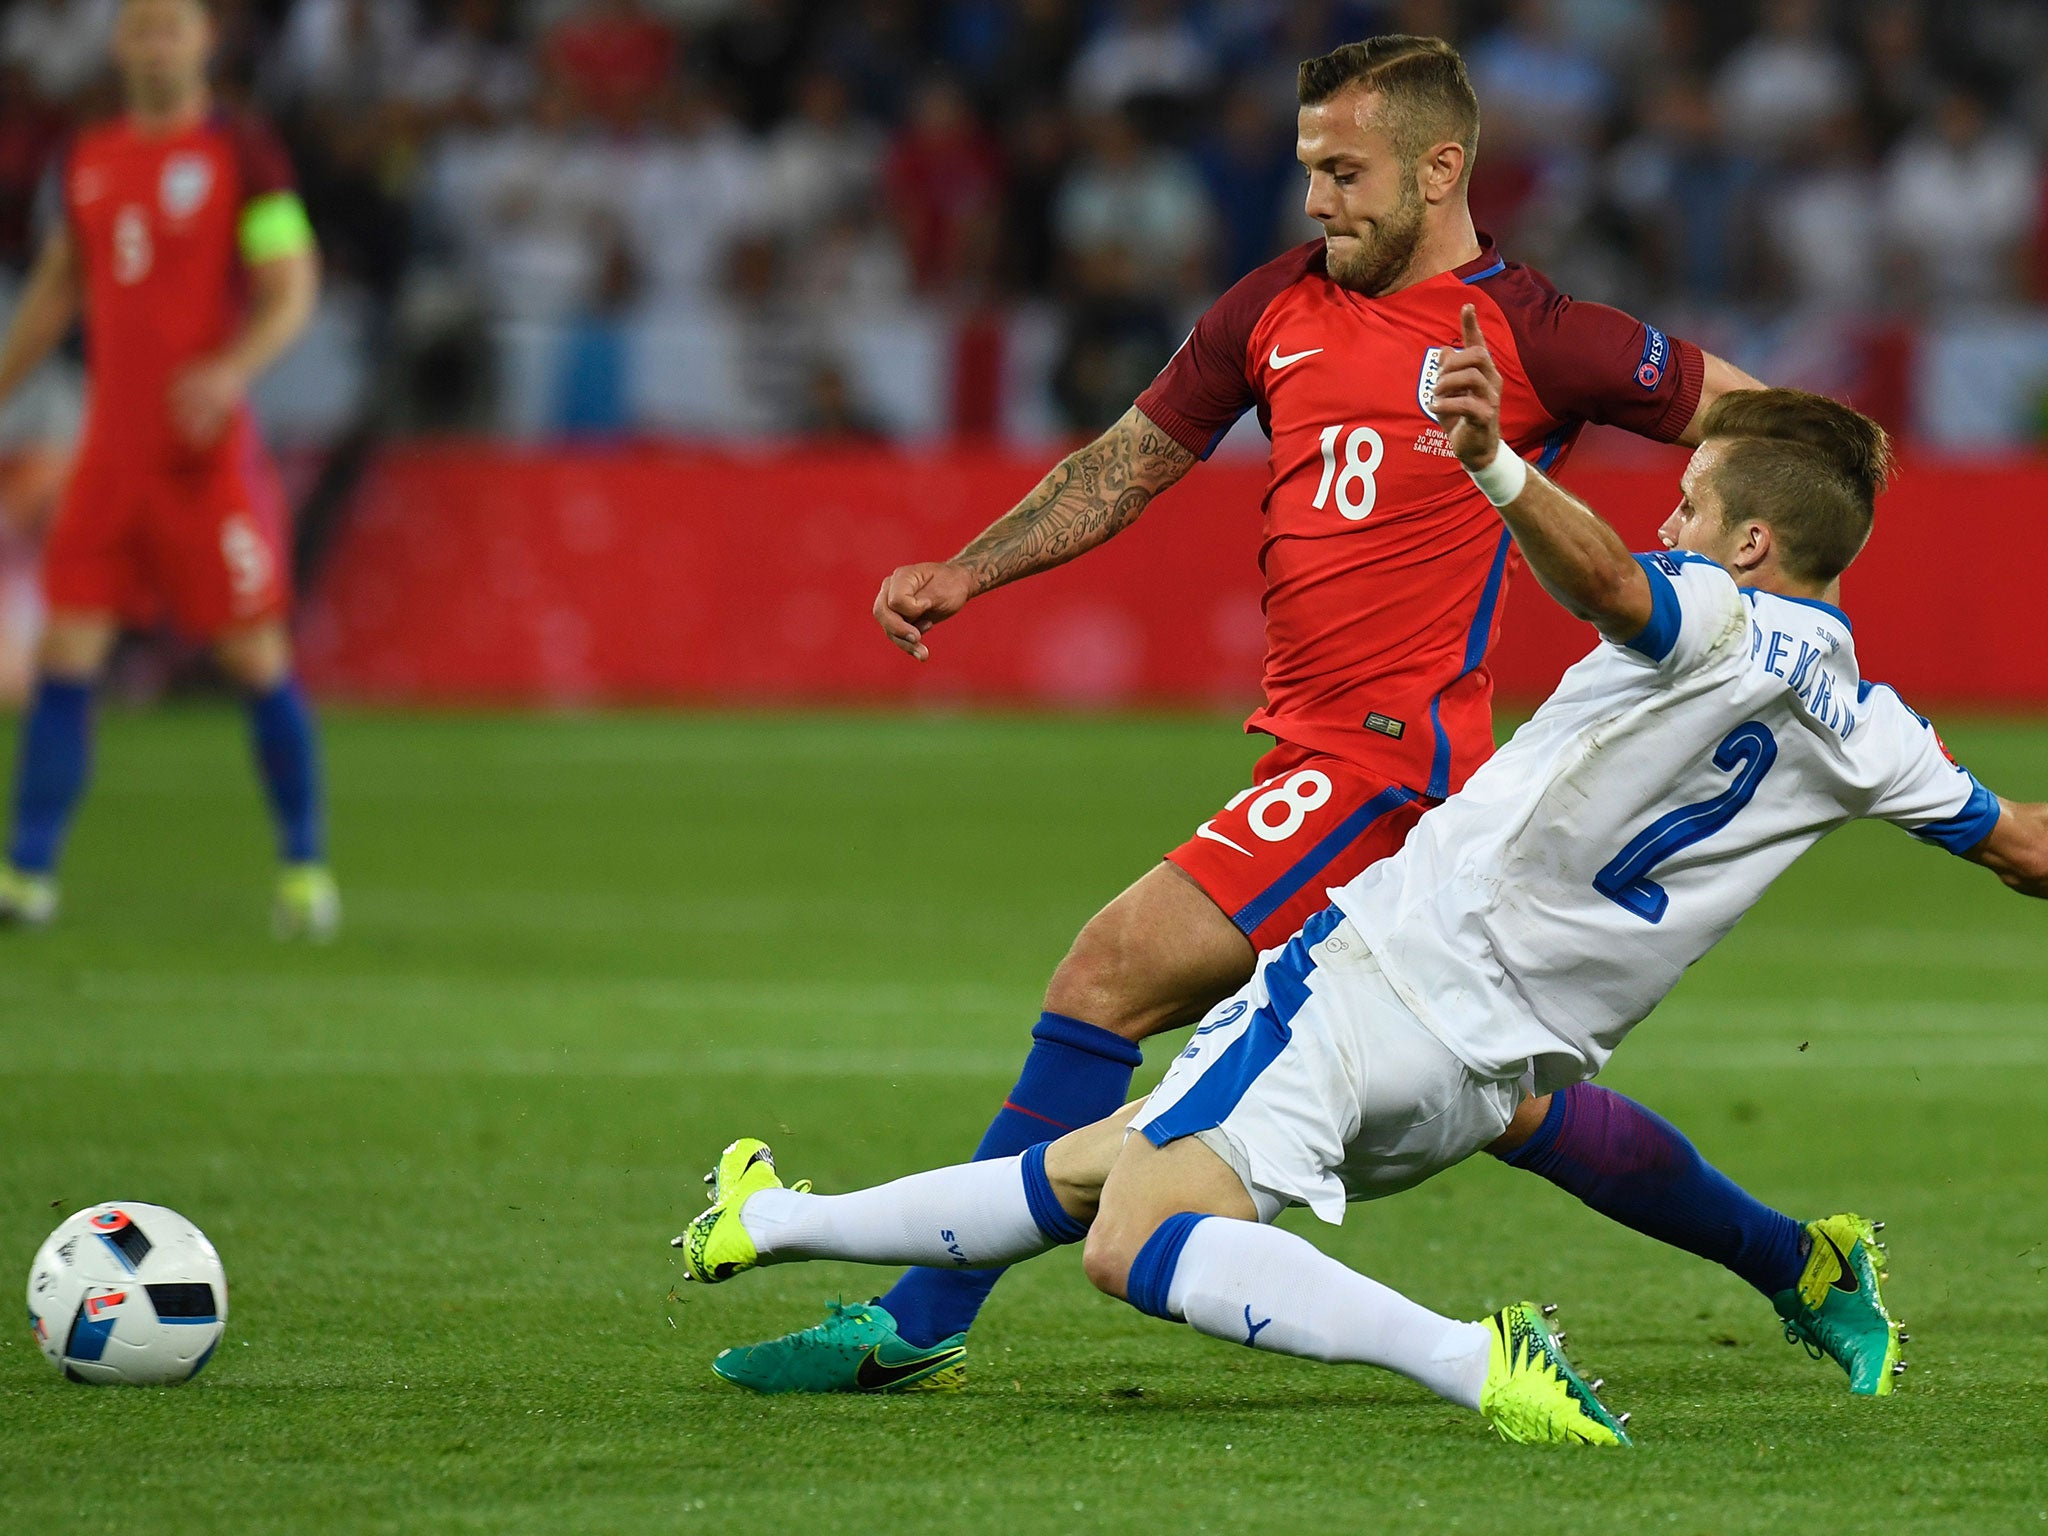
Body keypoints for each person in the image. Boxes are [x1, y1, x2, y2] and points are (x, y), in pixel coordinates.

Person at [723, 34, 1840, 1398]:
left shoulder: (1541, 333)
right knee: (1511, 1108)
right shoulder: (1277, 305)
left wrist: (1779, 577)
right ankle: (1800, 1263)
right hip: (1329, 753)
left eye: (1344, 171)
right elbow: (1131, 460)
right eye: (1311, 168)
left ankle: (917, 1322)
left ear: (1441, 169)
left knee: (1106, 975)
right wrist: (973, 567)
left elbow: (1784, 426)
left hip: (1389, 763)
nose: (1316, 198)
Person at [674, 373, 2047, 1444]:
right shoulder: (1881, 731)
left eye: (1687, 505)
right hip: (1492, 1070)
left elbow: (1625, 590)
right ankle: (774, 1220)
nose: (1667, 522)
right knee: (1102, 1161)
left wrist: (1499, 465)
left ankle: (1475, 1360)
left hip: (1376, 981)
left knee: (1131, 1236)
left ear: (1752, 540)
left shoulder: (1713, 610)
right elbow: (2027, 850)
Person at [0, 0, 336, 937]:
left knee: (256, 659)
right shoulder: (90, 159)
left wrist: (231, 369)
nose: (155, 44)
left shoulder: (245, 156)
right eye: (140, 28)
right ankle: (28, 874)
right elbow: (59, 287)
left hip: (202, 465)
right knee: (65, 655)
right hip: (111, 459)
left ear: (205, 42)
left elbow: (292, 285)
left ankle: (303, 864)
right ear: (118, 45)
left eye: (171, 28)